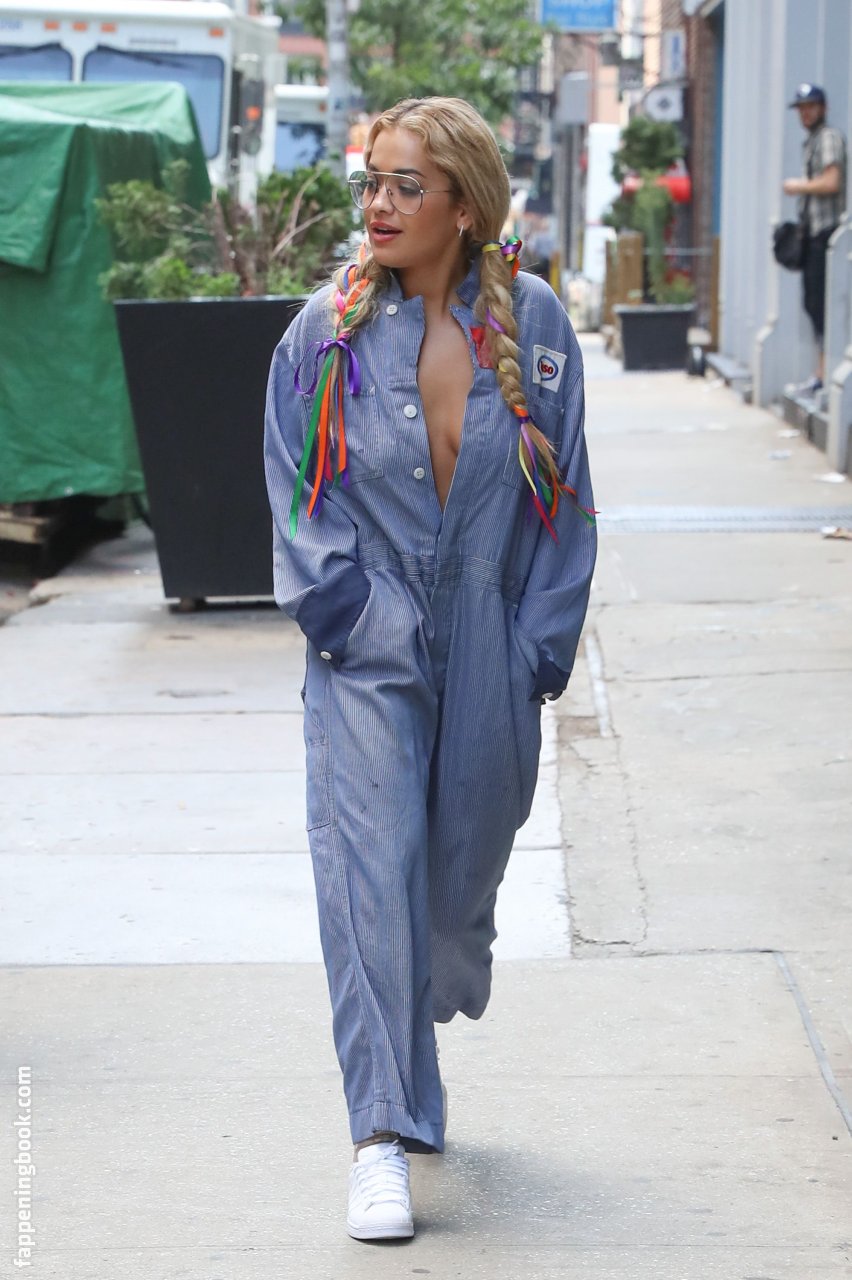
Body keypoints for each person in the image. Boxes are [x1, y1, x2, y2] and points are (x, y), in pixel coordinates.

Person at [263, 96, 596, 1242]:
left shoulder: (533, 324)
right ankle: (380, 1136)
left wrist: (538, 646)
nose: (381, 204)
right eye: (373, 182)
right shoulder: (328, 333)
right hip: (370, 638)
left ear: (464, 202)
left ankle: (436, 983)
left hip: (492, 638)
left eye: (408, 185)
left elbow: (567, 499)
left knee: (451, 897)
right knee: (371, 876)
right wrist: (346, 610)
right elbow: (291, 485)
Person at [782, 83, 847, 392]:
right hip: (814, 233)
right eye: (801, 108)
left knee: (822, 304)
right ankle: (820, 371)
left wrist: (799, 186)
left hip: (828, 232)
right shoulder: (811, 142)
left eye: (811, 107)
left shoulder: (829, 138)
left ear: (823, 108)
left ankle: (826, 373)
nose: (805, 114)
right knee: (813, 303)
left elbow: (832, 182)